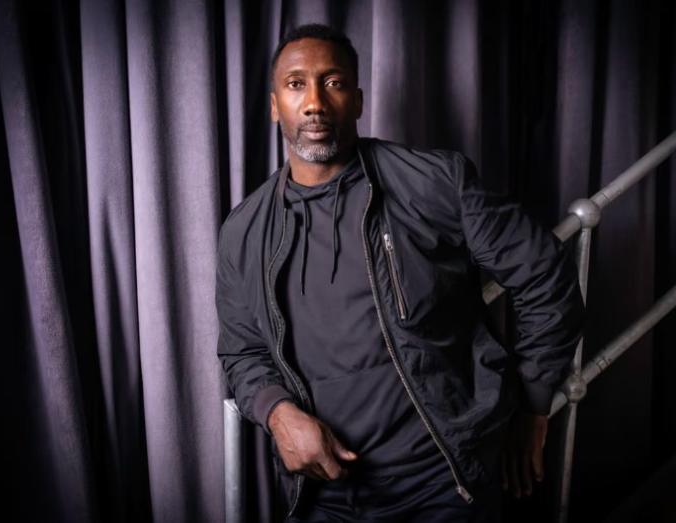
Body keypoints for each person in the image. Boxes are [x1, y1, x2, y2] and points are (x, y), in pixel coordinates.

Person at [215, 24, 584, 522]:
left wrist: (534, 404)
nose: (315, 103)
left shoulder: (434, 183)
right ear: (275, 105)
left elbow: (544, 275)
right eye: (296, 84)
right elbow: (242, 351)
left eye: (333, 83)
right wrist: (276, 412)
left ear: (358, 100)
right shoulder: (244, 231)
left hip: (445, 485)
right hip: (324, 497)